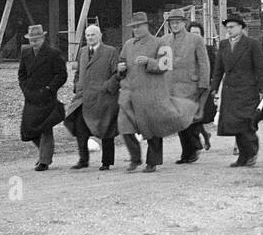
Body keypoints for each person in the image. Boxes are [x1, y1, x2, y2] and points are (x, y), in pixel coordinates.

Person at [118, 11, 197, 172]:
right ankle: (135, 158)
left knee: (152, 129)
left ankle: (152, 162)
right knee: (125, 126)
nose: (136, 30)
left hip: (151, 94)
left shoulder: (160, 43)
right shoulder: (128, 45)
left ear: (147, 26)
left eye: (139, 26)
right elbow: (122, 61)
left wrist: (149, 61)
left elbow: (166, 65)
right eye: (133, 27)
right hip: (130, 94)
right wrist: (120, 68)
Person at [210, 13, 263, 167]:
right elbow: (218, 69)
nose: (228, 30)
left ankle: (251, 153)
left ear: (241, 27)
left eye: (232, 27)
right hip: (230, 90)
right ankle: (242, 157)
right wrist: (214, 88)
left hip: (247, 90)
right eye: (227, 27)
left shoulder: (252, 44)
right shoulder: (223, 45)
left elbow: (260, 68)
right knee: (234, 124)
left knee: (246, 123)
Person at [63, 24, 120, 170]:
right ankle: (83, 160)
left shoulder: (111, 51)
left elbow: (117, 74)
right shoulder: (82, 51)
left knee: (106, 128)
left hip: (104, 99)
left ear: (100, 35)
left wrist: (107, 87)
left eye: (93, 34)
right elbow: (78, 72)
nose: (90, 37)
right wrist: (76, 85)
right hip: (84, 98)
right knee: (80, 127)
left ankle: (106, 162)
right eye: (87, 35)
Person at [19, 24, 67, 171]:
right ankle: (44, 152)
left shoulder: (53, 53)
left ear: (43, 38)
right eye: (31, 39)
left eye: (37, 39)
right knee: (28, 130)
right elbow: (21, 74)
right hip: (31, 96)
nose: (34, 42)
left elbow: (61, 75)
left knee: (45, 128)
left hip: (47, 97)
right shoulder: (25, 53)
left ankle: (44, 160)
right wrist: (25, 88)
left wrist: (49, 89)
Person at [165, 9, 211, 164]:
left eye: (177, 22)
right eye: (172, 23)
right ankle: (187, 152)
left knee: (187, 119)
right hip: (172, 87)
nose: (175, 25)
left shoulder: (195, 39)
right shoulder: (165, 40)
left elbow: (204, 63)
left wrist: (203, 84)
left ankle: (193, 149)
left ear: (184, 23)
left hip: (190, 86)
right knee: (179, 121)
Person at [187, 20, 216, 153]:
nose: (195, 36)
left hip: (204, 89)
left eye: (198, 33)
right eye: (192, 33)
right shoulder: (185, 52)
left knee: (198, 116)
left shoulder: (209, 50)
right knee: (190, 116)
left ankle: (202, 137)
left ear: (202, 35)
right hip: (189, 89)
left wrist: (213, 87)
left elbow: (215, 70)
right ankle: (203, 136)